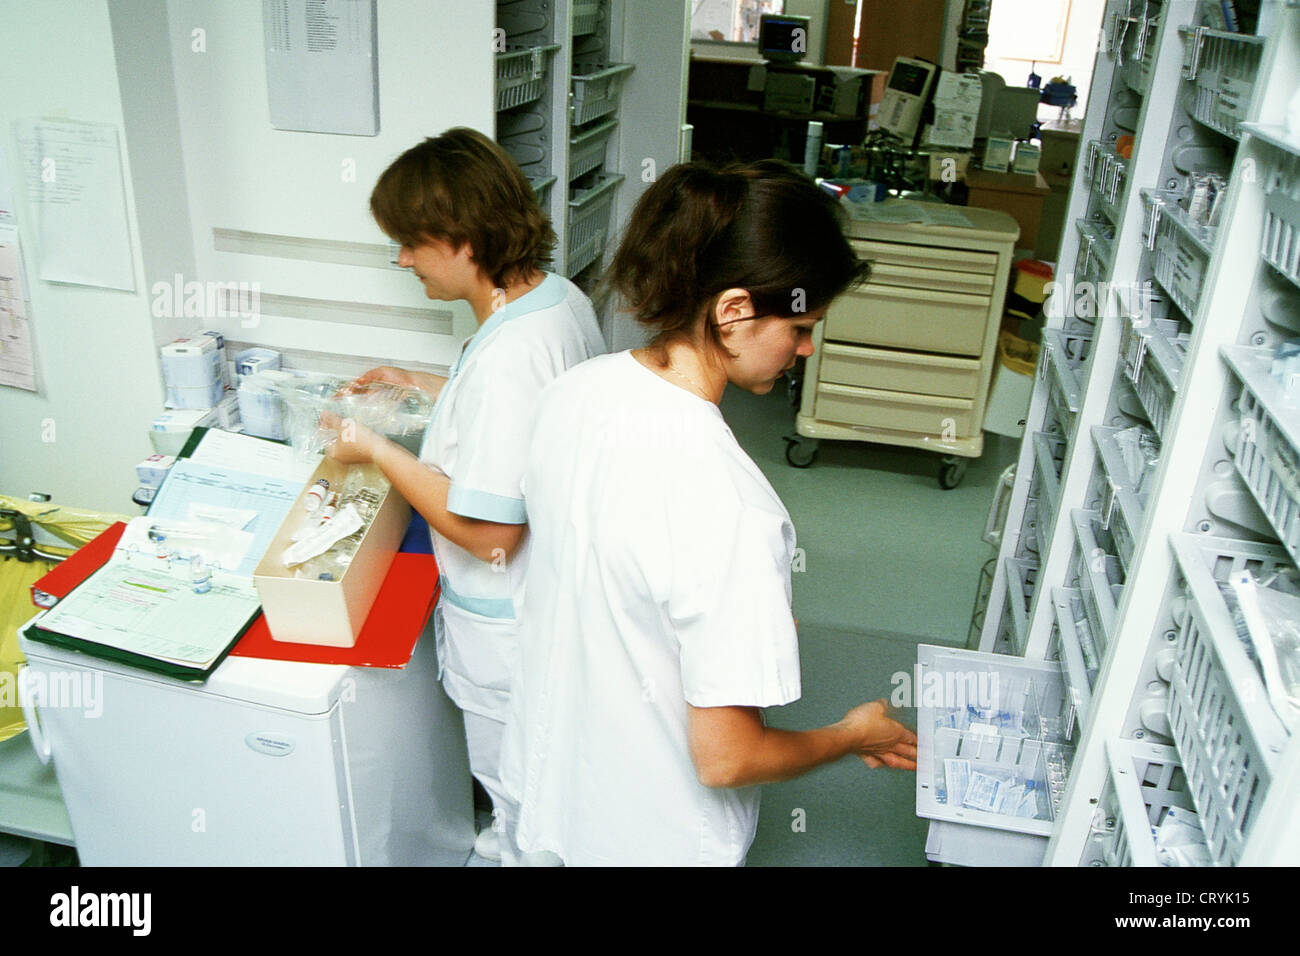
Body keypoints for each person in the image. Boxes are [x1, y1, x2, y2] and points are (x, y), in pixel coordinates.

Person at [499, 159, 918, 866]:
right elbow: (728, 759)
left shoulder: (576, 392)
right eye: (803, 326)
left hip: (547, 793)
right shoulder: (729, 503)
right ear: (733, 311)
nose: (807, 349)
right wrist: (854, 735)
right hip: (649, 836)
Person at [324, 128, 605, 865]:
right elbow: (523, 423)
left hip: (510, 621)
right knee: (548, 781)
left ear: (459, 237)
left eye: (412, 242)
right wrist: (429, 390)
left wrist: (375, 449)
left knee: (523, 797)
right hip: (559, 603)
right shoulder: (553, 301)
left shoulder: (509, 354)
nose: (403, 259)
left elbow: (490, 536)